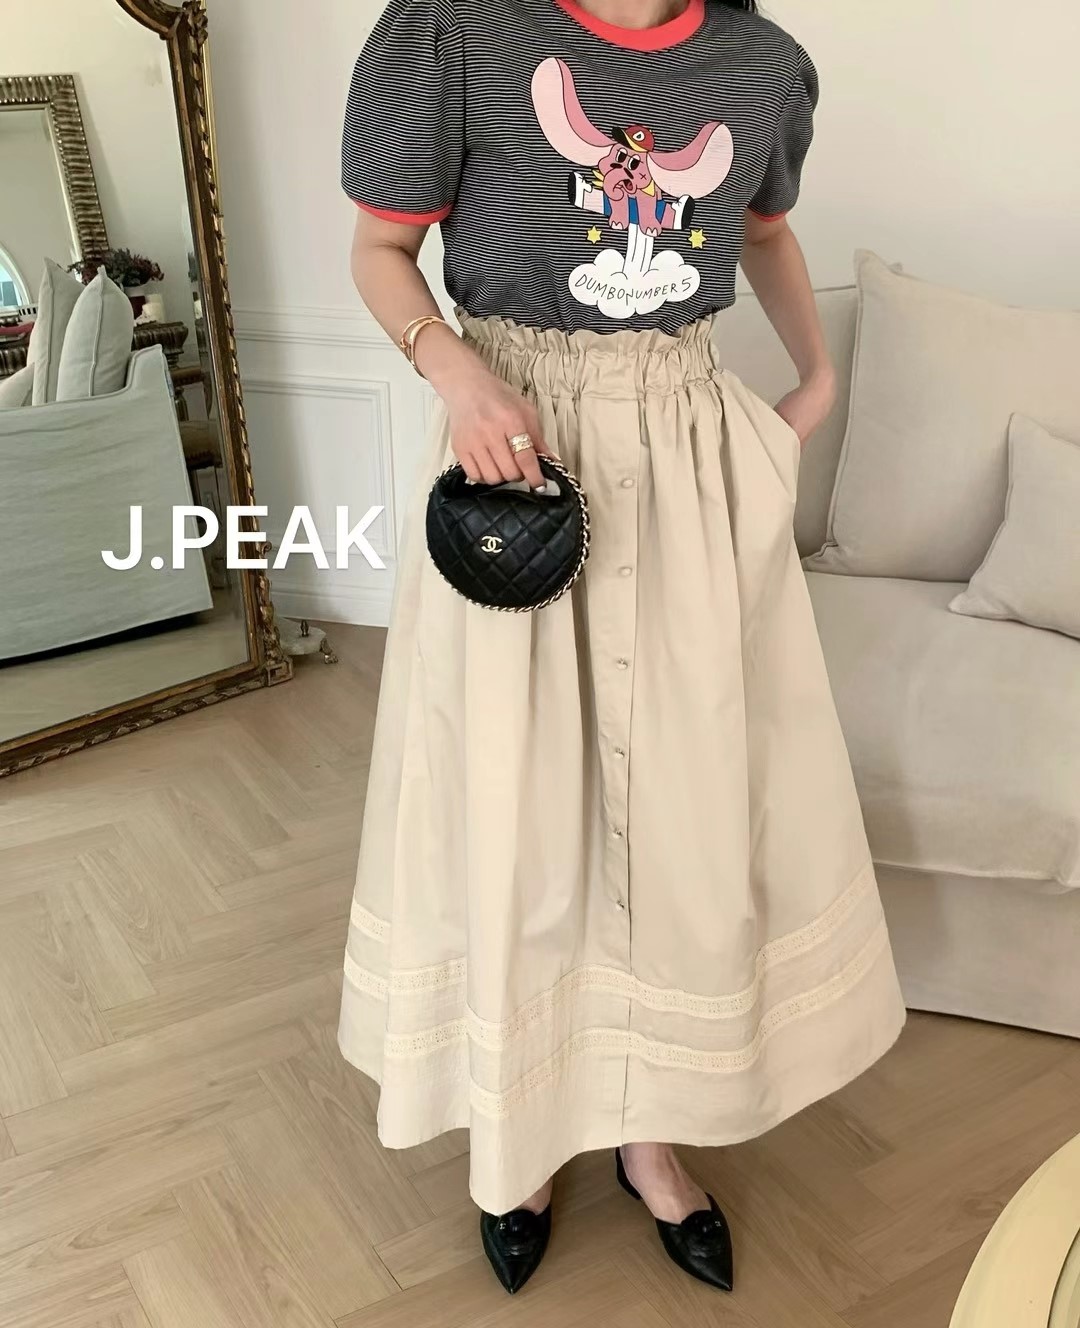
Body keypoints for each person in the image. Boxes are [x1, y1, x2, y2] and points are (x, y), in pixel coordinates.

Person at [336, 0, 907, 1298]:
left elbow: (763, 227)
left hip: (691, 462)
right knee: (522, 812)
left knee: (684, 817)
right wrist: (456, 373)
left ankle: (652, 1136)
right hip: (518, 458)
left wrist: (818, 377)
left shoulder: (758, 62)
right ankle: (523, 1140)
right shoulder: (450, 34)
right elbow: (380, 248)